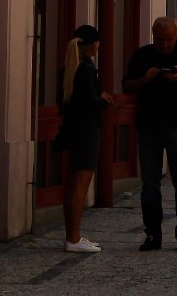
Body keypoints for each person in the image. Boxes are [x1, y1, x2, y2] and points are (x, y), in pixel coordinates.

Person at [123, 16, 177, 251]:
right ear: (153, 36)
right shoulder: (143, 55)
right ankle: (152, 233)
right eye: (160, 40)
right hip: (149, 125)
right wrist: (145, 79)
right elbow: (126, 85)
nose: (165, 45)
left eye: (169, 40)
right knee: (150, 184)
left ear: (176, 35)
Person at [53, 25, 110, 252]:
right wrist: (104, 99)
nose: (98, 46)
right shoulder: (85, 69)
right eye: (97, 42)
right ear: (90, 44)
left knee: (72, 184)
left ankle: (73, 235)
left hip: (73, 129)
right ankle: (73, 238)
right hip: (87, 130)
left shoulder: (69, 67)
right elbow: (91, 101)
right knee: (80, 185)